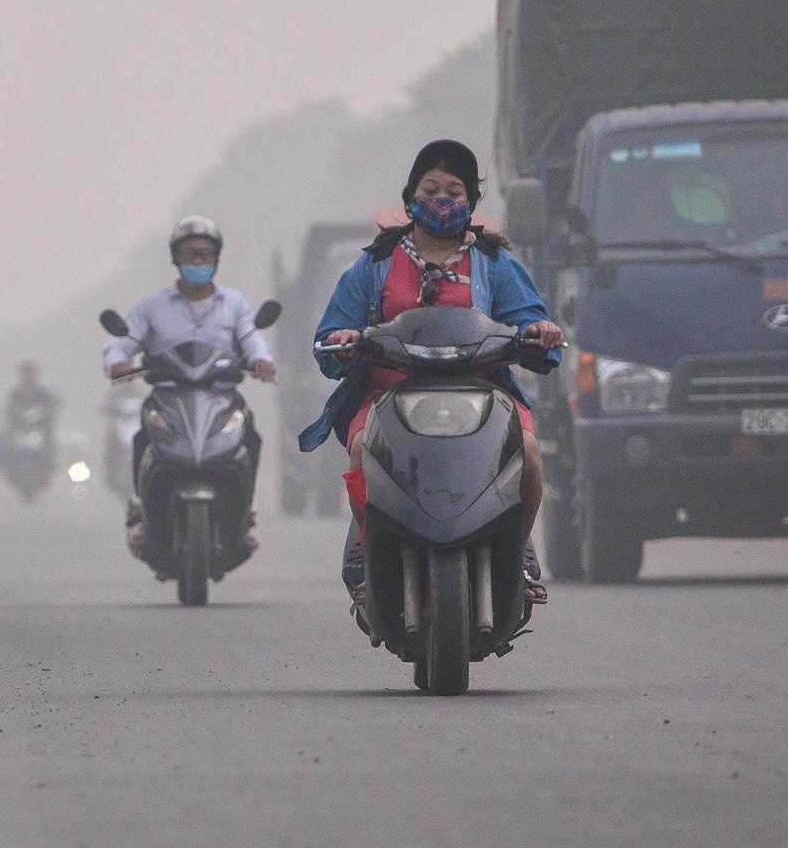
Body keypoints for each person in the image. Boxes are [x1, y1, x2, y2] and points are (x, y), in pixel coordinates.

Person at [300, 140, 564, 605]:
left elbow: (529, 320)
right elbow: (331, 332)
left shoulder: (496, 262)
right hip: (389, 393)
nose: (443, 200)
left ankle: (518, 548)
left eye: (455, 191)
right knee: (361, 448)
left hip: (484, 394)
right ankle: (365, 543)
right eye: (432, 188)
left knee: (528, 451)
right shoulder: (375, 263)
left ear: (471, 203)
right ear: (411, 195)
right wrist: (342, 341)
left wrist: (538, 330)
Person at [103, 216, 277, 553]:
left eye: (204, 254)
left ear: (216, 259)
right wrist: (117, 361)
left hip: (221, 396)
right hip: (168, 396)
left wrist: (262, 360)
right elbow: (122, 342)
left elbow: (252, 338)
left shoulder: (235, 304)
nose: (197, 261)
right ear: (176, 259)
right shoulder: (152, 306)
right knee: (142, 438)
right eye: (189, 254)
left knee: (251, 436)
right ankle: (141, 511)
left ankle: (245, 515)